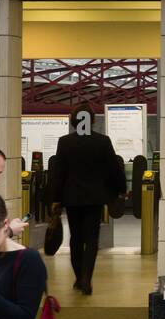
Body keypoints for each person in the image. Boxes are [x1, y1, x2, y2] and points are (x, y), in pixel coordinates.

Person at [49, 108, 125, 295]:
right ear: (91, 121)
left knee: (75, 238)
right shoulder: (102, 141)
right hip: (95, 198)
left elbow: (58, 173)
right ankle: (87, 279)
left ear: (75, 121)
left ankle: (78, 278)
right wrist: (121, 190)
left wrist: (55, 199)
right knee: (92, 239)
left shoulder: (65, 142)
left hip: (72, 198)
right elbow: (114, 168)